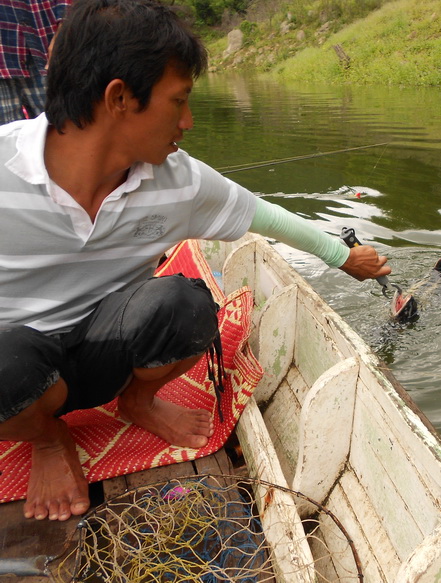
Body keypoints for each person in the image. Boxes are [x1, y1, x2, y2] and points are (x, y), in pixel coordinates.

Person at [0, 0, 390, 522]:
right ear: (119, 98)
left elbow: (265, 216)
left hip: (103, 353)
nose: (187, 121)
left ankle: (137, 401)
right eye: (178, 100)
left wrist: (343, 257)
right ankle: (48, 440)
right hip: (16, 376)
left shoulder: (178, 180)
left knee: (185, 305)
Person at [0, 0, 70, 124]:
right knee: (5, 140)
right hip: (4, 63)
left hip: (49, 47)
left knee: (72, 130)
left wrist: (67, 25)